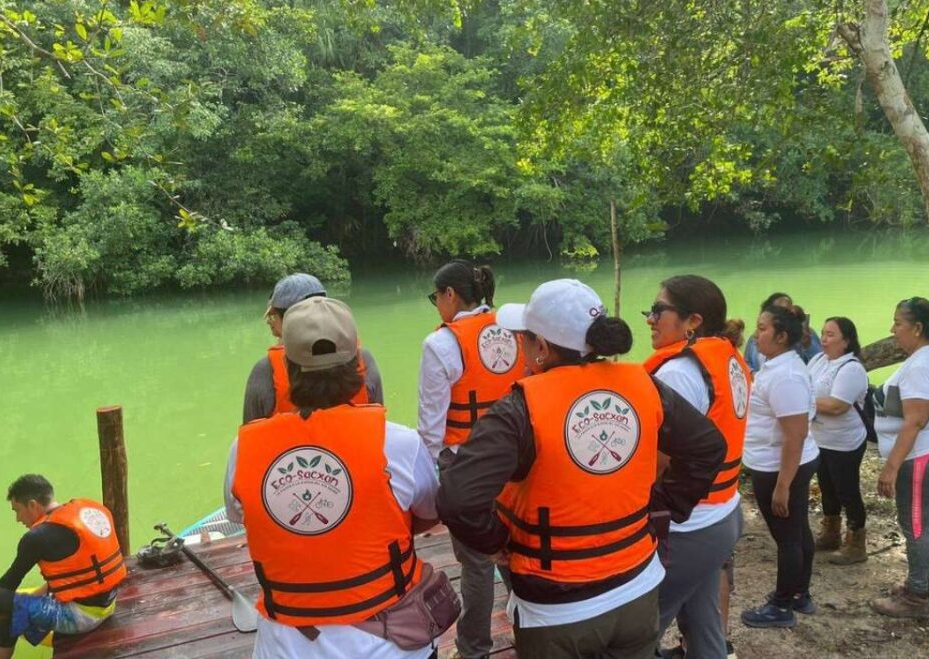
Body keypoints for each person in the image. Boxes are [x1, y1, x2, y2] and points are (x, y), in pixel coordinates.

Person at [436, 279, 725, 658]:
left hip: (556, 608)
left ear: (540, 347)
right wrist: (662, 506)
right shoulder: (643, 385)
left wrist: (497, 543)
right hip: (638, 588)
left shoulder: (519, 409)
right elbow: (709, 446)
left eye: (524, 337)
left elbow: (457, 498)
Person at [225, 297, 443, 658]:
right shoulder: (399, 443)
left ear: (287, 368)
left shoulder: (243, 447)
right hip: (391, 647)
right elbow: (431, 510)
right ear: (358, 364)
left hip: (284, 649)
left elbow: (240, 515)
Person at [418, 260, 525, 659]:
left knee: (477, 563)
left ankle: (474, 649)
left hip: (467, 464)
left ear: (449, 295)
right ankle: (534, 627)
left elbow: (431, 425)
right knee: (519, 548)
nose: (436, 306)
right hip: (516, 458)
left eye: (435, 298)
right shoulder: (514, 328)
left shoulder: (442, 344)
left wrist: (434, 478)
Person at [642, 275, 750, 659]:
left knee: (639, 632)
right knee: (704, 625)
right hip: (723, 515)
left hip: (689, 527)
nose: (650, 320)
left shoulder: (677, 374)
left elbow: (658, 463)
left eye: (658, 311)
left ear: (693, 321)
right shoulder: (728, 359)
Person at [870, 297, 929, 620]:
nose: (893, 330)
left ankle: (916, 597)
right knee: (928, 520)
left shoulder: (921, 365)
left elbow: (916, 419)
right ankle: (927, 585)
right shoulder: (928, 357)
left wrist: (890, 467)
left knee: (917, 525)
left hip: (921, 456)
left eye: (898, 323)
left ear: (917, 328)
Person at [0, 475, 127, 659]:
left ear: (32, 505)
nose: (18, 519)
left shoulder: (38, 536)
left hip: (81, 618)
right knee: (12, 606)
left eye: (17, 510)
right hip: (109, 604)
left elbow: (8, 583)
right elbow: (71, 577)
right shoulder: (91, 510)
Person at [740, 303, 821, 629]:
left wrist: (783, 485)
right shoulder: (778, 366)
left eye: (762, 328)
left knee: (788, 537)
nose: (756, 334)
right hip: (782, 462)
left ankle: (782, 605)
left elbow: (796, 434)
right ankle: (800, 593)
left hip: (781, 466)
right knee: (797, 531)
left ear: (782, 336)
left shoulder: (786, 376)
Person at [242, 272, 384, 424]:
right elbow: (379, 426)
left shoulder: (265, 371)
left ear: (288, 319)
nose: (270, 322)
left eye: (273, 316)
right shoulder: (363, 359)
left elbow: (251, 435)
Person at [807, 317, 870, 566]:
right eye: (823, 333)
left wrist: (804, 400)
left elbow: (837, 406)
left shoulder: (851, 368)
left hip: (845, 442)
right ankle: (831, 533)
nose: (824, 338)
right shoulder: (818, 360)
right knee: (826, 487)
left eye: (831, 334)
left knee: (847, 489)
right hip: (819, 439)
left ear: (846, 341)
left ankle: (856, 543)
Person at [743, 293, 821, 372]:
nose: (786, 315)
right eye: (780, 311)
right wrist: (753, 374)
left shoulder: (805, 336)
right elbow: (746, 364)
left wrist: (807, 345)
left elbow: (821, 365)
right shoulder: (754, 339)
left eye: (789, 311)